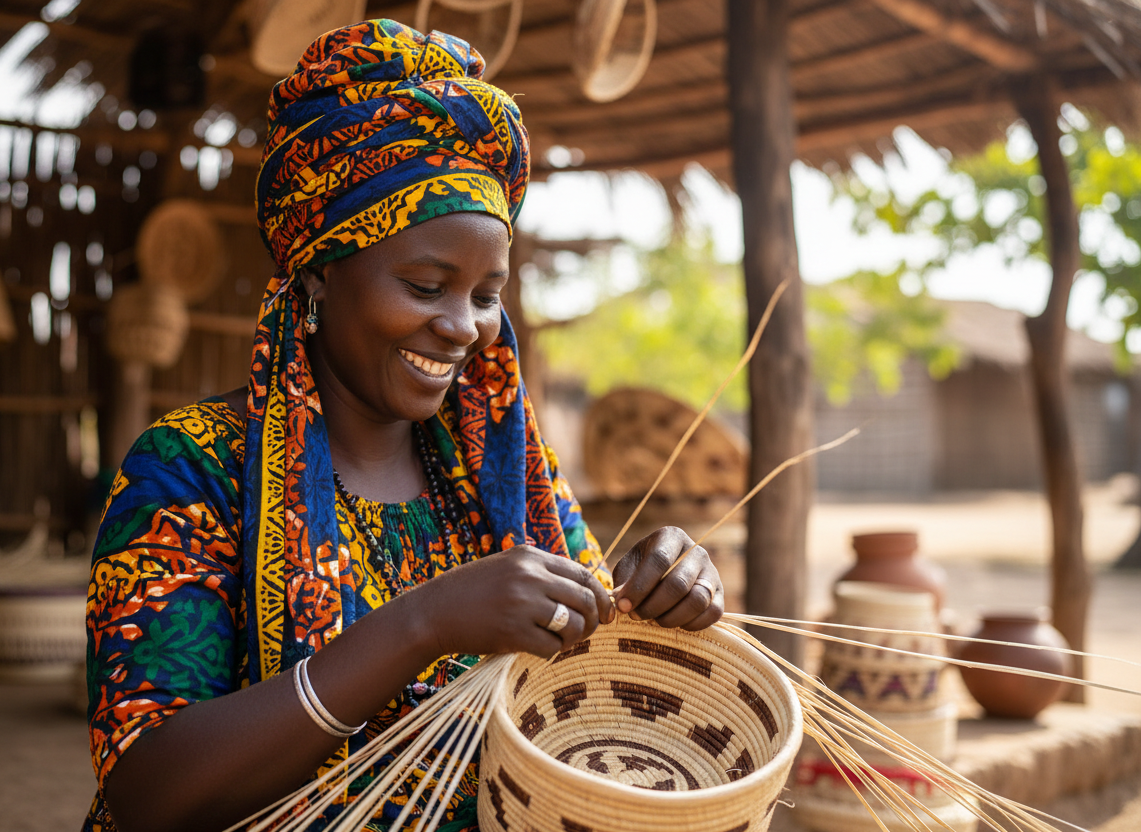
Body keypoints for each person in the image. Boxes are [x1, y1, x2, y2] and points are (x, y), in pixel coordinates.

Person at [83, 19, 724, 832]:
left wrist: (664, 597)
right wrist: (423, 623)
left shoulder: (507, 476)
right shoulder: (191, 470)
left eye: (486, 296)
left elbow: (595, 697)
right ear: (317, 275)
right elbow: (149, 793)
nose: (464, 327)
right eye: (426, 286)